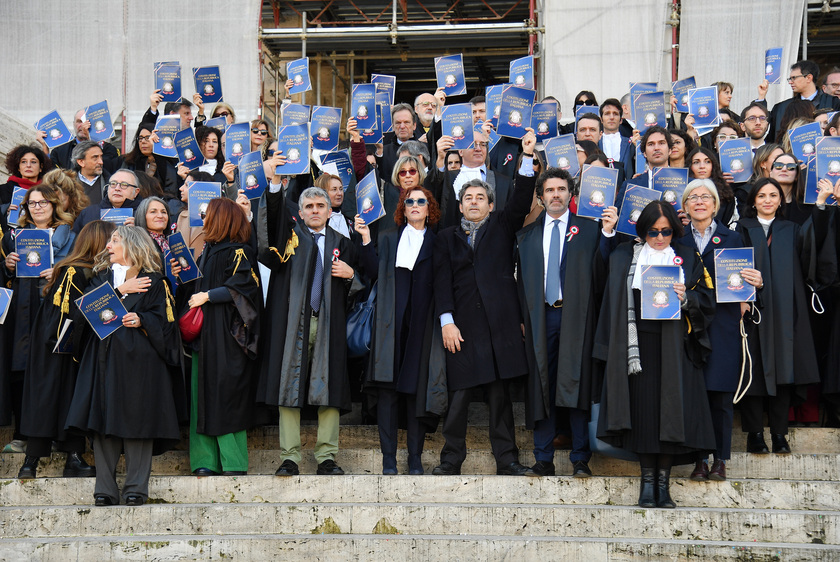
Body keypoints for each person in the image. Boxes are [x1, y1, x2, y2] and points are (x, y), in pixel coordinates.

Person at [431, 131, 538, 477]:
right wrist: (447, 321)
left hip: (500, 326)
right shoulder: (446, 237)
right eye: (469, 198)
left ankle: (507, 459)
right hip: (461, 327)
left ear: (491, 204)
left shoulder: (504, 226)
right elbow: (441, 281)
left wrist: (526, 159)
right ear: (460, 205)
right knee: (459, 396)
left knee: (499, 397)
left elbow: (521, 200)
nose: (475, 202)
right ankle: (451, 460)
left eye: (481, 197)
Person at [596, 200, 716, 508]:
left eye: (665, 231)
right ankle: (647, 484)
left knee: (669, 416)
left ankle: (663, 485)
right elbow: (601, 284)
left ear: (674, 231)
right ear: (642, 230)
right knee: (644, 417)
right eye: (652, 231)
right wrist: (607, 234)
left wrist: (687, 297)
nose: (659, 238)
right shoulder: (625, 255)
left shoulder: (688, 257)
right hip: (637, 348)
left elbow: (708, 300)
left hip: (675, 346)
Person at [65, 226, 183, 506]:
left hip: (140, 363)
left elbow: (167, 326)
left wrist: (142, 320)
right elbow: (81, 315)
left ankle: (135, 489)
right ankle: (104, 490)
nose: (109, 244)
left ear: (132, 245)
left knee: (138, 424)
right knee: (102, 424)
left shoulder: (155, 282)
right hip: (102, 360)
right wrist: (120, 291)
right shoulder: (101, 278)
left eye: (115, 240)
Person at [256, 186, 357, 476]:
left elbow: (357, 289)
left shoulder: (343, 243)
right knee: (289, 385)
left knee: (330, 386)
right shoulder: (289, 239)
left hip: (327, 324)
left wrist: (352, 276)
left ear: (329, 211)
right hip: (292, 324)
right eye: (309, 206)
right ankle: (290, 457)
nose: (314, 210)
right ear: (300, 212)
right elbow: (268, 242)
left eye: (320, 205)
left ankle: (327, 456)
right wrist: (274, 186)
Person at [517, 167, 607, 478]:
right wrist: (522, 320)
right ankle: (543, 459)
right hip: (541, 317)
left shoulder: (589, 231)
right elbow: (519, 284)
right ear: (540, 197)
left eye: (561, 189)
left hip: (577, 317)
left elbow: (601, 276)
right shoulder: (527, 236)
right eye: (550, 190)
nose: (556, 195)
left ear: (570, 195)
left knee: (576, 385)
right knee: (542, 386)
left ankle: (581, 458)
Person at [735, 178, 833, 454]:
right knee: (752, 369)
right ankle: (755, 433)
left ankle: (779, 433)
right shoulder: (741, 230)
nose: (767, 200)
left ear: (780, 200)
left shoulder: (793, 229)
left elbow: (813, 255)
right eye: (762, 195)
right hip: (752, 310)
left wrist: (822, 203)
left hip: (787, 312)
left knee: (784, 368)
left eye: (773, 195)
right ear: (753, 200)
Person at [354, 187, 445, 475]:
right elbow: (373, 272)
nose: (416, 205)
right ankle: (388, 459)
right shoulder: (388, 237)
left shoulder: (438, 241)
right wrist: (367, 240)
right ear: (402, 209)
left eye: (422, 201)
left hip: (423, 325)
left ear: (429, 209)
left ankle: (415, 458)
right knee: (387, 393)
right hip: (389, 326)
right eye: (410, 202)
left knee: (416, 393)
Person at [677, 180, 762, 481]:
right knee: (696, 395)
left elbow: (745, 282)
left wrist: (755, 284)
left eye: (705, 197)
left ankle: (720, 459)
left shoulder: (733, 237)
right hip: (689, 325)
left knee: (721, 395)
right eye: (693, 198)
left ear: (715, 204)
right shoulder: (678, 240)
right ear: (685, 206)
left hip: (724, 323)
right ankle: (699, 459)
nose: (699, 202)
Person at [17, 220, 116, 479]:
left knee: (69, 398)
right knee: (49, 398)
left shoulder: (89, 270)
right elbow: (71, 311)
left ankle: (70, 458)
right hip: (59, 344)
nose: (113, 244)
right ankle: (31, 461)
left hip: (69, 345)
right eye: (111, 239)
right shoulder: (76, 270)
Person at [182, 198, 262, 476]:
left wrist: (209, 295)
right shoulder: (205, 252)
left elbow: (246, 289)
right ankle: (204, 461)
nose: (202, 219)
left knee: (228, 397)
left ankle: (233, 462)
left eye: (207, 215)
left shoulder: (240, 251)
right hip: (204, 337)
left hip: (229, 336)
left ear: (222, 219)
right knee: (199, 397)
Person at [2, 185, 76, 453]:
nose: (38, 207)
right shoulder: (14, 236)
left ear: (55, 205)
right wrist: (7, 264)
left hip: (52, 306)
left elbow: (80, 268)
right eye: (32, 203)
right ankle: (23, 433)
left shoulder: (71, 236)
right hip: (22, 307)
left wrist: (59, 271)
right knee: (21, 370)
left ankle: (56, 434)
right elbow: (6, 274)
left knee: (51, 370)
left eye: (44, 202)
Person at [761, 60, 840, 143]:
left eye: (794, 78)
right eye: (790, 79)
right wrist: (761, 97)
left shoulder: (834, 103)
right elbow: (770, 137)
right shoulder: (781, 107)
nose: (790, 82)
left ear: (809, 78)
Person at [48, 109, 121, 175]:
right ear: (74, 124)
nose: (83, 125)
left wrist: (90, 139)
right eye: (79, 121)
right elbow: (53, 176)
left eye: (86, 122)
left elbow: (108, 170)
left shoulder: (109, 149)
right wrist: (45, 148)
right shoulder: (59, 151)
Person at [73, 169, 143, 234]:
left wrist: (139, 231)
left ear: (136, 192)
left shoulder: (144, 215)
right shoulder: (88, 213)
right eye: (113, 184)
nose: (117, 188)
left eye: (124, 185)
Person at [120, 123, 178, 200]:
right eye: (140, 138)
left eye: (148, 138)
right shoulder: (130, 162)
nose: (143, 141)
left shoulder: (168, 164)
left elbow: (171, 192)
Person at [687, 147, 738, 227]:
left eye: (707, 162)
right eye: (696, 162)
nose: (702, 166)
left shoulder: (725, 193)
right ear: (690, 166)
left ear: (713, 165)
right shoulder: (682, 190)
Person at [70, 141, 108, 205]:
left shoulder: (111, 183)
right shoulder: (67, 184)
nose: (101, 162)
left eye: (101, 157)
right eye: (95, 157)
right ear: (81, 162)